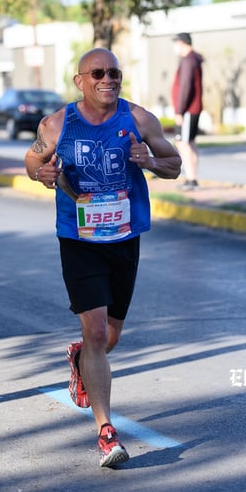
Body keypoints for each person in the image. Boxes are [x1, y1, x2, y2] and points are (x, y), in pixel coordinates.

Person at [24, 48, 181, 468]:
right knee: (95, 334)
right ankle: (106, 431)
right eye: (97, 73)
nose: (107, 79)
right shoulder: (57, 124)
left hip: (125, 237)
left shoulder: (140, 119)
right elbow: (33, 160)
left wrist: (149, 160)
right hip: (78, 238)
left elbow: (175, 164)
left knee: (109, 339)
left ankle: (79, 359)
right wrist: (42, 174)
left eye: (114, 72)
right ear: (80, 81)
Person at [171, 32, 204, 191]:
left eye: (176, 43)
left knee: (182, 142)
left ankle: (191, 179)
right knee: (189, 142)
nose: (175, 47)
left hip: (188, 110)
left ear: (183, 43)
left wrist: (179, 110)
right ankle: (193, 178)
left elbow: (185, 86)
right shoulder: (192, 60)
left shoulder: (188, 61)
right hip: (192, 109)